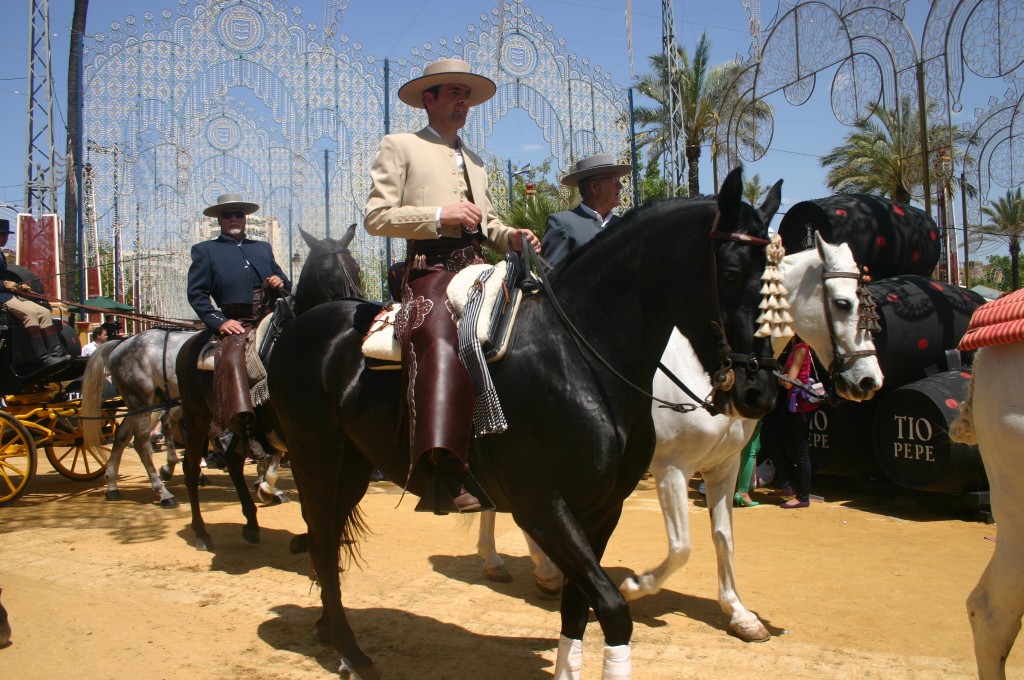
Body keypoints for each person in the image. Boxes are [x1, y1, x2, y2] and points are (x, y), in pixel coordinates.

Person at [364, 58, 541, 513]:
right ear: (430, 100)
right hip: (429, 271)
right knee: (440, 335)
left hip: (481, 267)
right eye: (454, 94)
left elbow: (490, 223)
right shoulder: (400, 145)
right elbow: (376, 218)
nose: (464, 102)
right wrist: (439, 215)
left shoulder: (478, 161)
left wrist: (515, 237)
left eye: (467, 95)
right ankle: (441, 469)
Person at [186, 193, 290, 450]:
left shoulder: (262, 247)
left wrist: (280, 283)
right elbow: (197, 294)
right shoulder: (205, 250)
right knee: (233, 359)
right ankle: (242, 427)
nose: (233, 218)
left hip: (271, 316)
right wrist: (219, 322)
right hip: (236, 321)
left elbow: (285, 283)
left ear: (245, 218)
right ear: (218, 220)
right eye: (227, 214)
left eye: (238, 214)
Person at [540, 153, 632, 269]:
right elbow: (551, 280)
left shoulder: (623, 224)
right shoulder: (562, 224)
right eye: (614, 180)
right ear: (594, 187)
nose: (620, 186)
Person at [0, 218, 70, 369]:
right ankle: (43, 357)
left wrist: (19, 286)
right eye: (3, 234)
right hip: (2, 296)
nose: (5, 238)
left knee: (44, 312)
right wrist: (4, 284)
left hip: (7, 294)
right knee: (30, 313)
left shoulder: (1, 254)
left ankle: (56, 353)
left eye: (6, 235)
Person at [762, 337, 821, 509]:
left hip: (800, 408)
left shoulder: (802, 348)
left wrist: (780, 378)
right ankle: (786, 486)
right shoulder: (796, 347)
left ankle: (803, 497)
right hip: (793, 406)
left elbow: (788, 383)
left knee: (801, 451)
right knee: (775, 441)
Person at [734, 420, 763, 507]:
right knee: (750, 451)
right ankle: (742, 492)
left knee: (752, 448)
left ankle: (737, 490)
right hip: (752, 413)